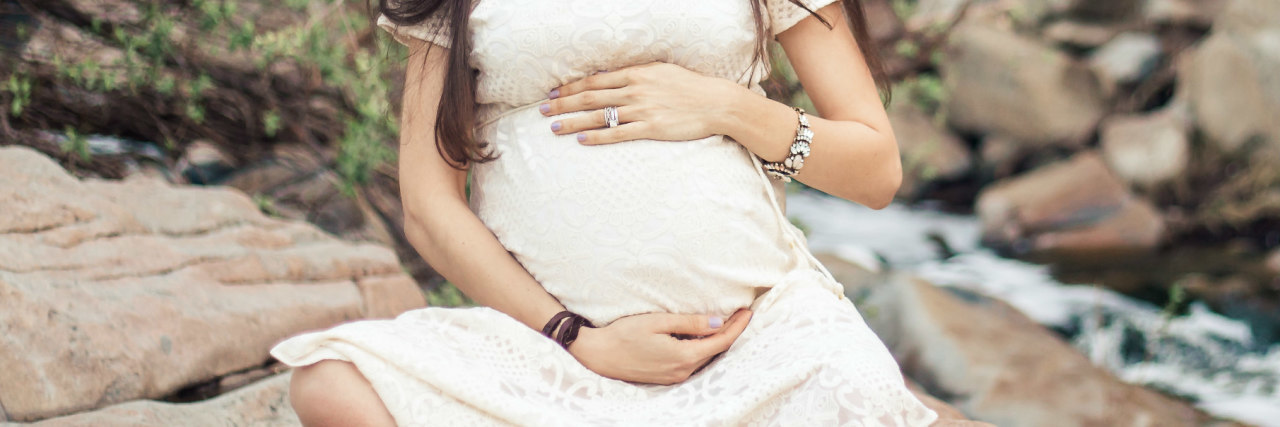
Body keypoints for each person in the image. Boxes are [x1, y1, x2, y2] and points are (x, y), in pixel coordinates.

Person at [271, 0, 940, 425]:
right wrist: (573, 336)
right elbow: (427, 203)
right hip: (555, 354)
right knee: (332, 383)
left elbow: (876, 169)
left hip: (752, 338)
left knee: (859, 392)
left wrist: (727, 108)